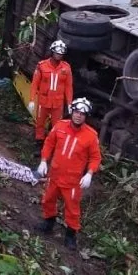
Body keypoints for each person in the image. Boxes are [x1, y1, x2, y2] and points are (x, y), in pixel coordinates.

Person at [35, 97, 102, 250]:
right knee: (48, 199)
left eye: (83, 114)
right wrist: (44, 161)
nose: (79, 115)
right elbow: (49, 143)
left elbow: (95, 157)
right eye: (77, 112)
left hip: (73, 180)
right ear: (72, 112)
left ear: (86, 117)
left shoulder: (91, 136)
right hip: (55, 174)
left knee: (72, 209)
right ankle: (48, 222)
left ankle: (71, 235)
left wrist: (90, 173)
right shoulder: (59, 126)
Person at [28, 40, 73, 153]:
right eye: (57, 53)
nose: (58, 55)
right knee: (40, 123)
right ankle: (39, 143)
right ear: (52, 52)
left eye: (61, 54)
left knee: (57, 125)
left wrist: (69, 103)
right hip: (43, 101)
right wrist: (32, 100)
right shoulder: (42, 66)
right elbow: (35, 84)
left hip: (57, 102)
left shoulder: (66, 68)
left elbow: (68, 87)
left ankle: (52, 145)